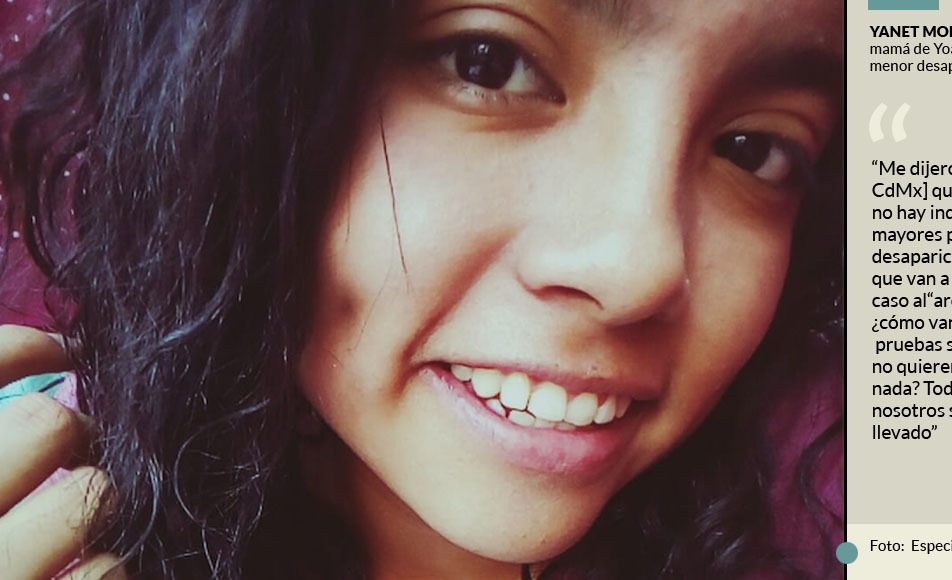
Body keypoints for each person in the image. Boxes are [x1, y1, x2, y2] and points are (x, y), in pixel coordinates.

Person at [0, 0, 844, 578]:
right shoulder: (42, 508)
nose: (641, 269)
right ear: (241, 91)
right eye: (490, 62)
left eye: (753, 149)